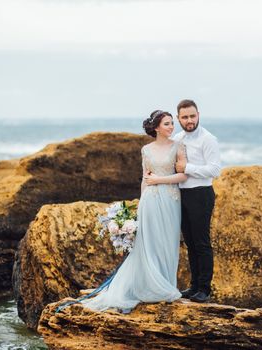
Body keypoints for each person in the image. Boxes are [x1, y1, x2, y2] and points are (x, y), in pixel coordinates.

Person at [76, 110, 188, 312]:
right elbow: (145, 178)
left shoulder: (178, 147)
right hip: (150, 201)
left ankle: (166, 286)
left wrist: (159, 180)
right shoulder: (146, 150)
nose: (172, 127)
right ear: (156, 128)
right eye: (167, 124)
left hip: (171, 200)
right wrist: (140, 202)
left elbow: (183, 176)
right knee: (148, 244)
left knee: (168, 243)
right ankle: (149, 287)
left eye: (172, 123)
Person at [172, 99, 221, 303]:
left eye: (192, 116)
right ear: (178, 118)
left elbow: (215, 170)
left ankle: (204, 289)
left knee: (201, 243)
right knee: (190, 243)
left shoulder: (208, 139)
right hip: (182, 195)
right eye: (185, 117)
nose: (189, 120)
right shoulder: (177, 139)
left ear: (198, 114)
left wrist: (188, 168)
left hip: (201, 193)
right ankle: (193, 286)